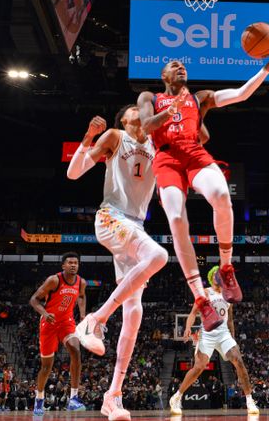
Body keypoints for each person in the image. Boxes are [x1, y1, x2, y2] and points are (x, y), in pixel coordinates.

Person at [136, 34, 269, 325]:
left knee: (222, 195)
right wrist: (168, 112)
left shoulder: (198, 98)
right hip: (166, 157)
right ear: (163, 75)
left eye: (183, 66)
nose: (181, 67)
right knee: (176, 219)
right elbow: (146, 126)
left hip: (194, 153)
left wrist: (267, 67)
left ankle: (226, 268)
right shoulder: (149, 97)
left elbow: (240, 93)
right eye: (174, 65)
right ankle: (200, 298)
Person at [69, 107, 171, 421]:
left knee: (135, 310)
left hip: (134, 229)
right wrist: (88, 138)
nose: (141, 114)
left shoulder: (157, 147)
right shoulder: (116, 137)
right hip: (111, 218)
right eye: (133, 112)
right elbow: (73, 173)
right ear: (124, 121)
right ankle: (94, 320)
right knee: (158, 256)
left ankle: (112, 395)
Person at [170, 266, 259, 415]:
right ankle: (177, 397)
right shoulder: (205, 292)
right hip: (207, 333)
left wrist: (233, 338)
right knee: (199, 367)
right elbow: (193, 313)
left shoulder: (228, 295)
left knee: (238, 360)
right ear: (213, 277)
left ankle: (250, 401)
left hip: (224, 334)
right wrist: (187, 328)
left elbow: (230, 320)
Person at [28, 252, 88, 415]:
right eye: (70, 262)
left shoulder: (81, 282)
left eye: (76, 262)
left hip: (66, 322)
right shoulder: (54, 280)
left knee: (76, 351)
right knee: (47, 366)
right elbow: (34, 299)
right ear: (63, 265)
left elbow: (81, 297)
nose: (73, 265)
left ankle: (73, 398)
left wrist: (82, 314)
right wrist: (45, 314)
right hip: (48, 323)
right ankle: (39, 398)